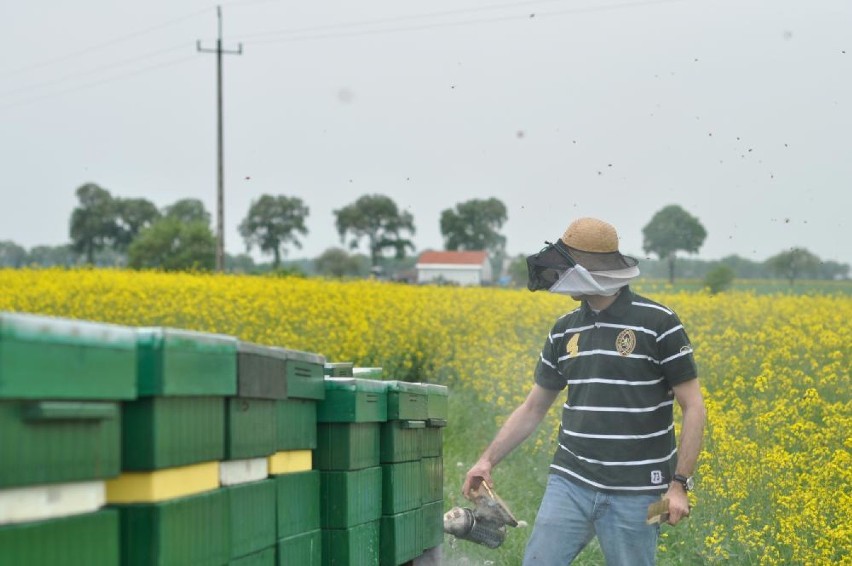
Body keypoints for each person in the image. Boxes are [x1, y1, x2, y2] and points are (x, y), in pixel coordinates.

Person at [462, 217, 706, 565]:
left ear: (588, 270)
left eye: (566, 265)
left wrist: (679, 484)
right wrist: (487, 460)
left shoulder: (660, 322)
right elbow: (534, 407)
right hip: (570, 480)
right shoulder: (564, 330)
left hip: (643, 491)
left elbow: (693, 406)